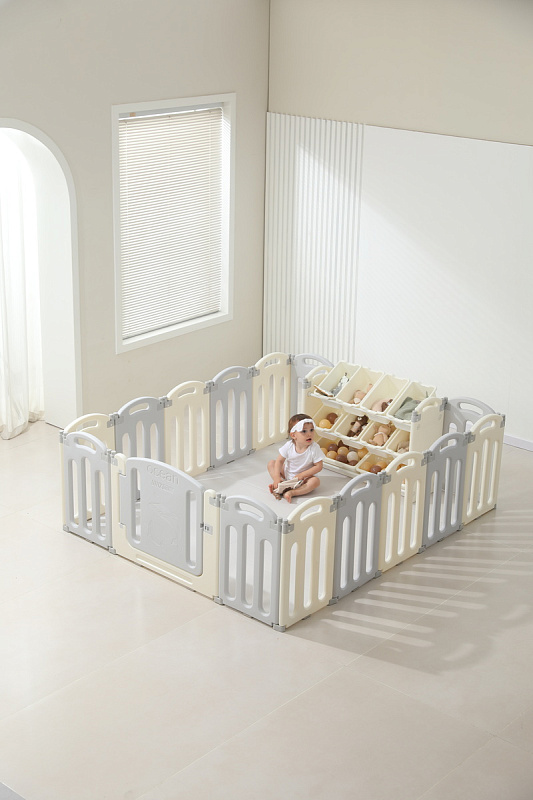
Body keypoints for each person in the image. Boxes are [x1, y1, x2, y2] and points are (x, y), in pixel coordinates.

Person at [267, 414, 323, 503]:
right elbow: (280, 461)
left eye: (311, 430)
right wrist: (277, 476)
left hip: (304, 479)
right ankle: (278, 483)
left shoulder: (314, 448)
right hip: (287, 473)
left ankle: (292, 492)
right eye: (304, 431)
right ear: (293, 435)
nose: (309, 434)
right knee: (271, 463)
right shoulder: (289, 445)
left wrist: (303, 475)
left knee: (315, 481)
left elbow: (319, 466)